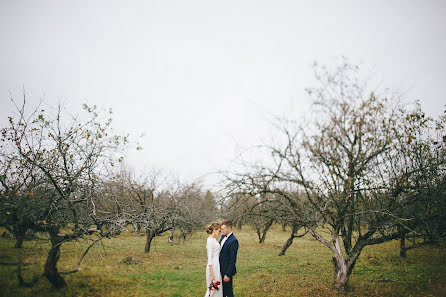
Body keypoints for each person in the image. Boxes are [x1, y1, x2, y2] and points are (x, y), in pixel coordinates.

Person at [219, 220, 239, 297]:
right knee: (222, 291)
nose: (221, 230)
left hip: (227, 270)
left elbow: (232, 259)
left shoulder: (234, 241)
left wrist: (228, 274)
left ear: (229, 228)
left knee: (228, 292)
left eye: (223, 229)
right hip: (220, 268)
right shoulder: (223, 236)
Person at [204, 222, 223, 297]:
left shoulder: (213, 239)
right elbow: (209, 259)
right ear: (214, 230)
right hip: (213, 267)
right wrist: (212, 274)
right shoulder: (210, 241)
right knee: (212, 289)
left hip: (217, 266)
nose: (220, 233)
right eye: (219, 231)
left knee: (217, 288)